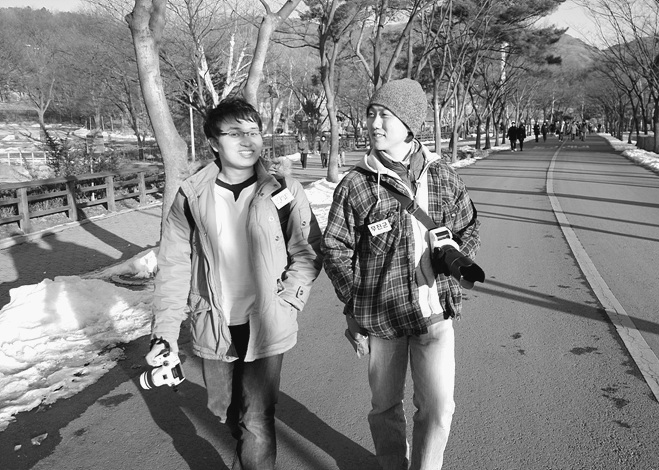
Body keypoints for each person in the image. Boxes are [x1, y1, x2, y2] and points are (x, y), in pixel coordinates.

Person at [145, 97, 322, 470]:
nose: (248, 141)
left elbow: (307, 250)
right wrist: (165, 332)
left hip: (267, 319)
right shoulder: (191, 195)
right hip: (213, 320)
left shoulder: (282, 189)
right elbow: (174, 264)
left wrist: (289, 300)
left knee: (256, 417)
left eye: (254, 131)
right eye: (235, 133)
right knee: (222, 408)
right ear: (213, 142)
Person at [321, 78, 481, 470]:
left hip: (434, 314)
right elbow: (335, 247)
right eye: (371, 114)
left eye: (385, 115)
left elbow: (470, 225)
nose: (374, 123)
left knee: (439, 408)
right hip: (382, 320)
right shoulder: (357, 184)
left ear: (410, 124)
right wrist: (355, 301)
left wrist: (455, 253)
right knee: (385, 407)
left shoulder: (442, 175)